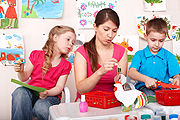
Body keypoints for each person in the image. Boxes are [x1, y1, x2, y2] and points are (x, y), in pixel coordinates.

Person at [12, 25, 76, 120]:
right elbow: (24, 78)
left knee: (41, 107)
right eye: (68, 39)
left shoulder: (66, 65)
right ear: (55, 38)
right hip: (32, 94)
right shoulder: (36, 55)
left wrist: (47, 92)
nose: (71, 44)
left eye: (73, 42)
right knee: (19, 92)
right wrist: (21, 71)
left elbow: (59, 87)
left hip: (50, 96)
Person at [74, 8, 128, 99]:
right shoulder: (82, 52)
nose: (110, 35)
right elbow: (81, 89)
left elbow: (121, 86)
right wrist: (100, 72)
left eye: (114, 31)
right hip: (87, 103)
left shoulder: (121, 52)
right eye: (106, 29)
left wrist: (119, 82)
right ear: (95, 27)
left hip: (112, 102)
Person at [128, 18, 180, 96]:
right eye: (153, 40)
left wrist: (177, 79)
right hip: (144, 87)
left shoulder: (169, 56)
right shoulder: (139, 55)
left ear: (165, 37)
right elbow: (131, 72)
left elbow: (176, 75)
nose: (157, 44)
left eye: (161, 41)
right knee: (150, 97)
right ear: (146, 36)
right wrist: (146, 79)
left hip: (164, 88)